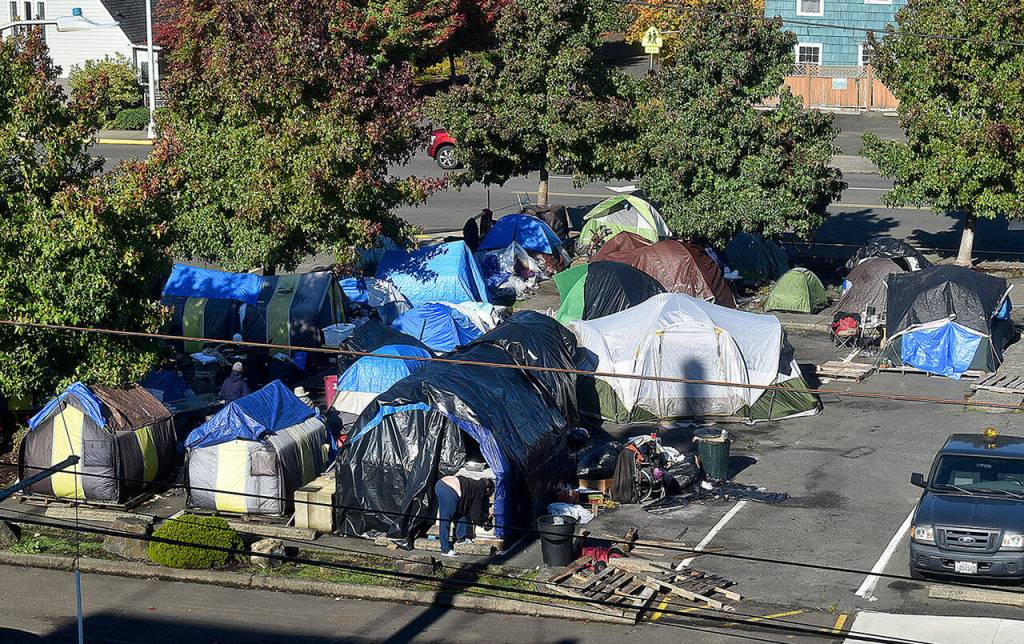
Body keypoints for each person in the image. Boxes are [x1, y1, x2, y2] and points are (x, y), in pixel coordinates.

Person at [434, 475, 495, 558]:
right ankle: (445, 549)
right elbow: (475, 515)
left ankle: (461, 538)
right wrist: (484, 521)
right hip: (448, 489)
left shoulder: (475, 485)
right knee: (445, 520)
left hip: (443, 484)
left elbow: (468, 509)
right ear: (488, 489)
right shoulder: (480, 490)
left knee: (462, 511)